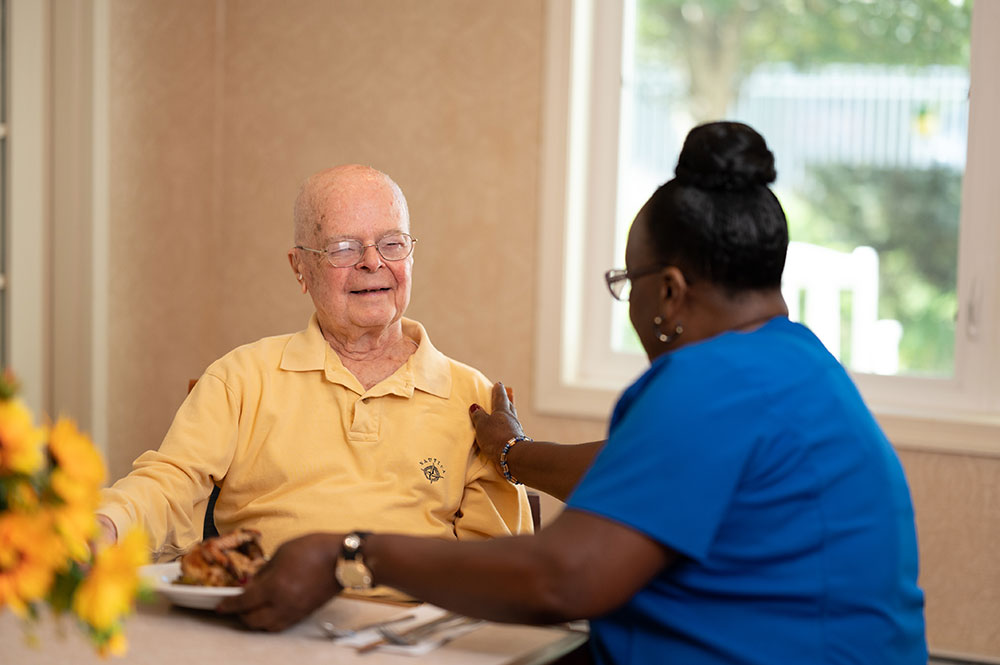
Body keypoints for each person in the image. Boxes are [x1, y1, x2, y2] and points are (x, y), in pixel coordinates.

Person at [218, 123, 927, 664]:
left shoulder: (709, 383)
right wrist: (515, 453)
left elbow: (563, 577)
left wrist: (353, 551)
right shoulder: (794, 369)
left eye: (629, 284)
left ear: (669, 293)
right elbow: (639, 468)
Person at [97, 164, 533, 563]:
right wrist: (104, 526)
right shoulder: (241, 379)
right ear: (300, 268)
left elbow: (498, 563)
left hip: (410, 636)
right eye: (343, 248)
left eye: (392, 244)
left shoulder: (473, 399)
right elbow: (167, 484)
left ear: (410, 257)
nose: (372, 262)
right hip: (269, 623)